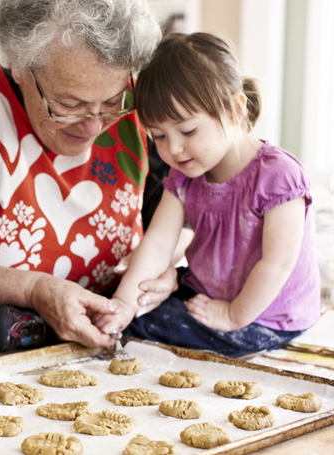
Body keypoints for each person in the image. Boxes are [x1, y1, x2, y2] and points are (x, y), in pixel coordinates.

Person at [0, 0, 183, 353]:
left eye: (112, 101)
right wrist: (34, 290)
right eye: (70, 104)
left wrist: (165, 273)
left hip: (112, 348)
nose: (93, 125)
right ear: (20, 65)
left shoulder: (142, 110)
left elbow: (175, 219)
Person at [98, 32, 320, 357]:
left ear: (233, 110)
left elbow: (278, 264)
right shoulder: (185, 176)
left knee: (143, 330)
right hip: (210, 295)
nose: (172, 149)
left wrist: (232, 315)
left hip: (265, 315)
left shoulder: (278, 175)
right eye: (158, 136)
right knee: (125, 305)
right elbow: (159, 242)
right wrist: (124, 303)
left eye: (188, 130)